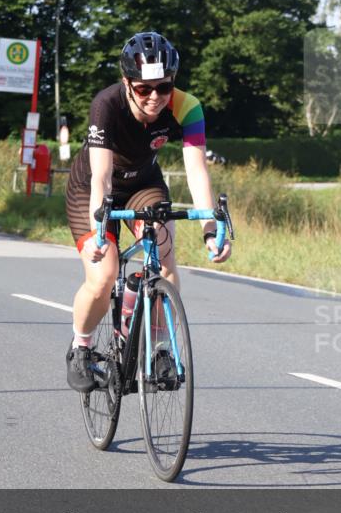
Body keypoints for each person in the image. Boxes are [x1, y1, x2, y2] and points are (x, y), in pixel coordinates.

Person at [65, 31, 232, 391]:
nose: (155, 97)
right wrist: (99, 232)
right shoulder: (107, 104)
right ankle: (80, 347)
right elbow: (102, 178)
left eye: (164, 87)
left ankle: (158, 348)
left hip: (143, 184)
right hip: (93, 187)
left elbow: (196, 170)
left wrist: (208, 228)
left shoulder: (188, 107)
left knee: (165, 257)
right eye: (143, 89)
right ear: (127, 83)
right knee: (103, 275)